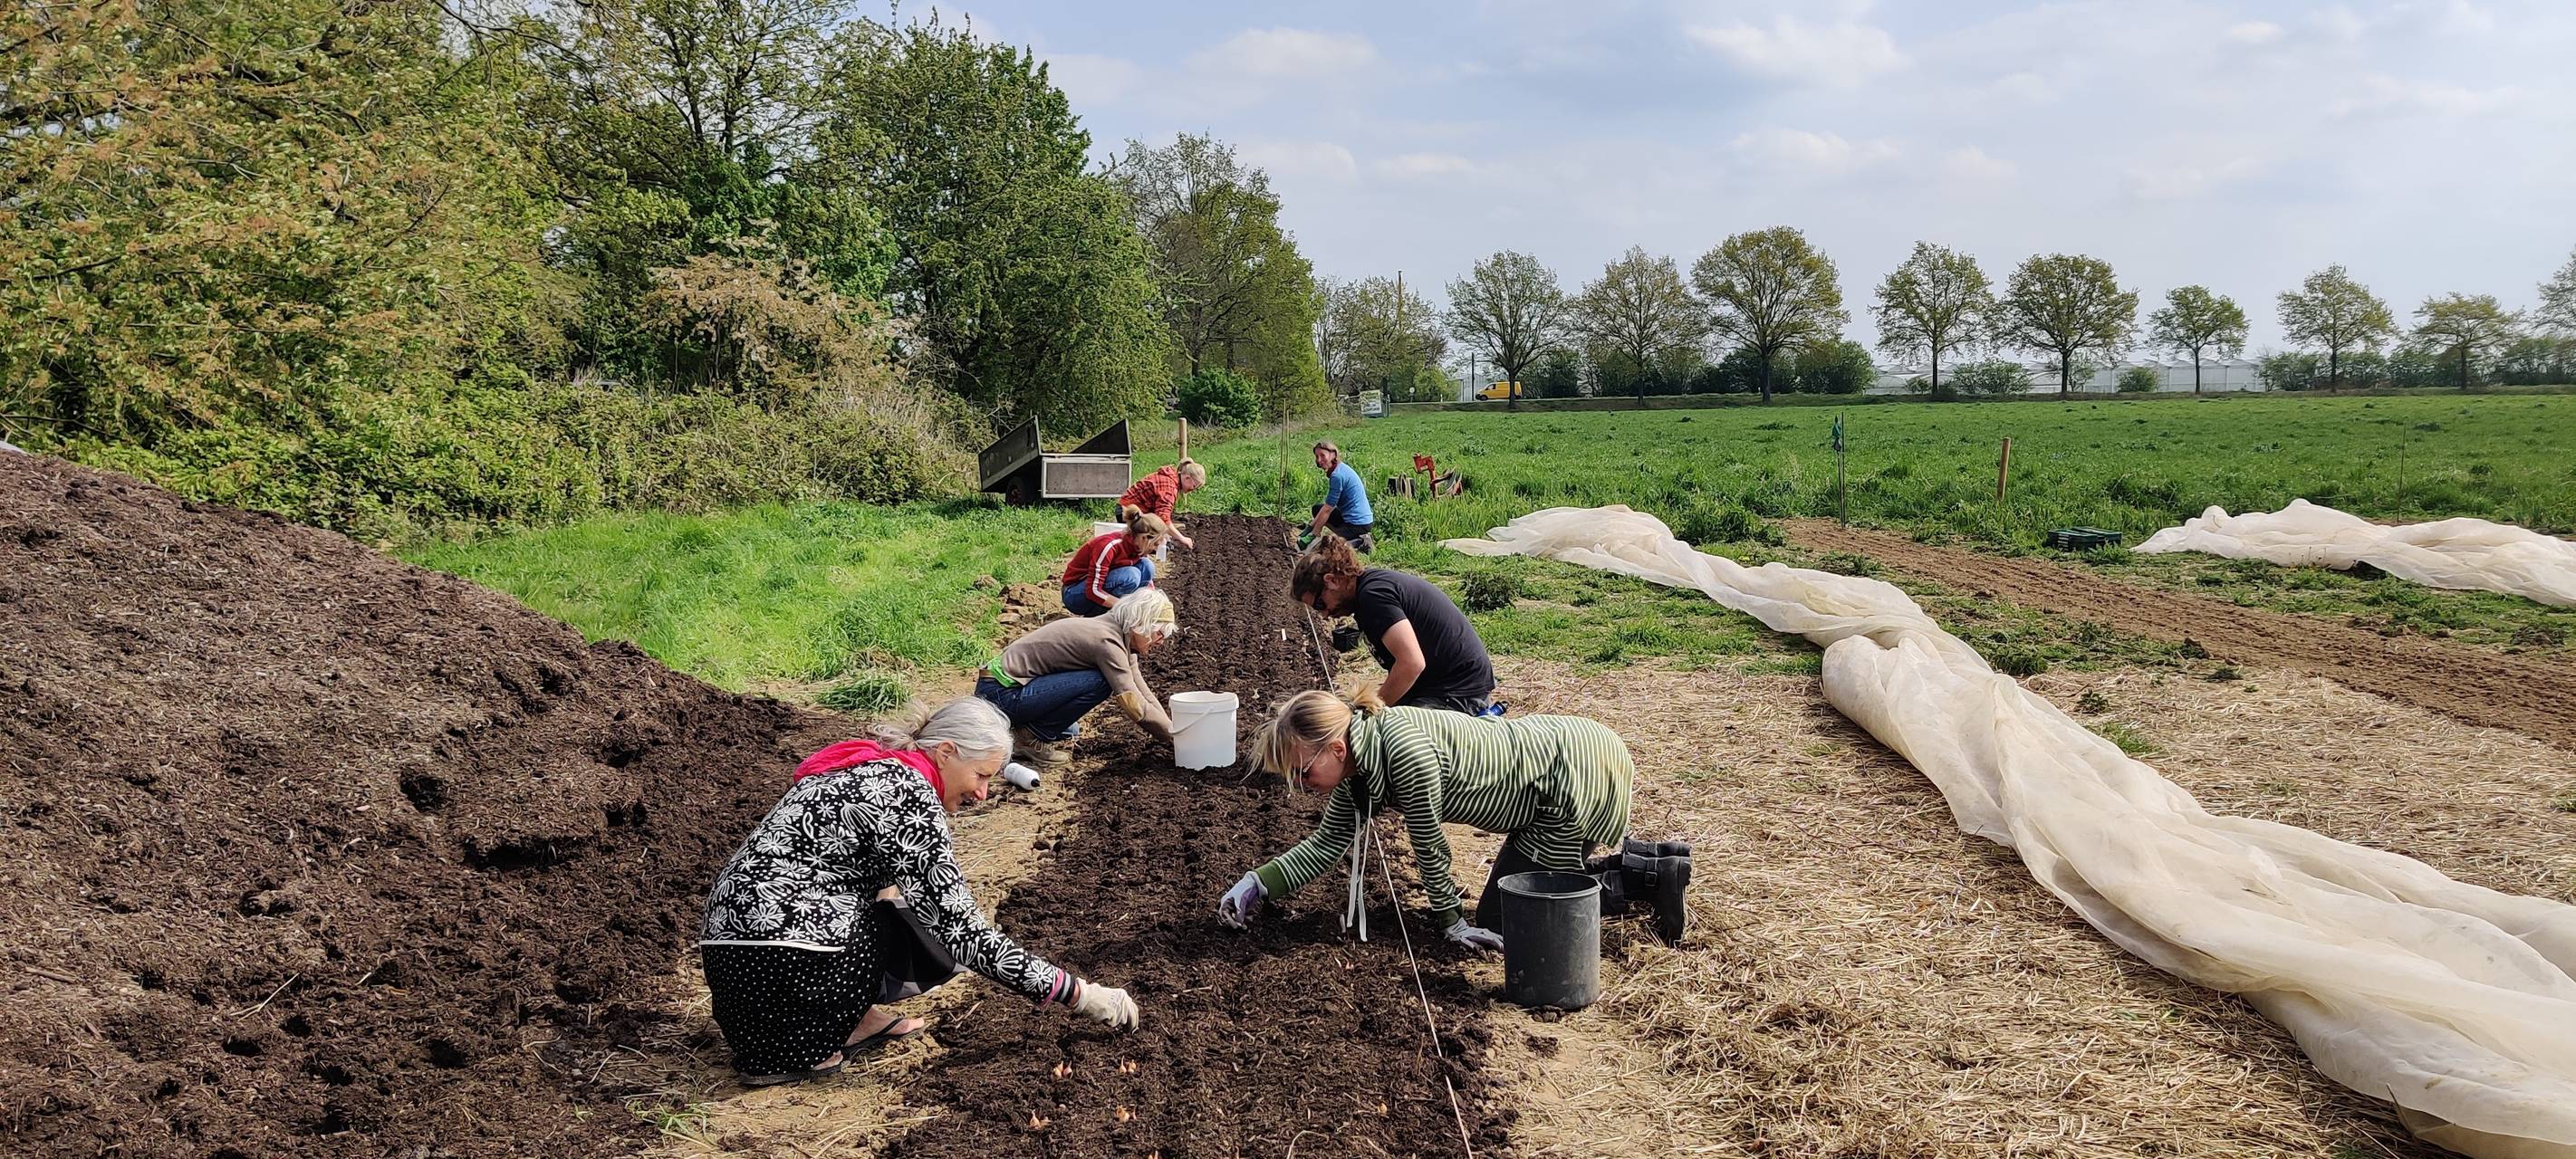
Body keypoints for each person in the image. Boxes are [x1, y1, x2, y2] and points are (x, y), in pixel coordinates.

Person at [699, 698, 1139, 1087]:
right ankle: (820, 1040)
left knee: (890, 901)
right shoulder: (909, 794)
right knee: (929, 925)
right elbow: (964, 933)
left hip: (732, 964)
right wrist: (1080, 994)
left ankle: (847, 1021)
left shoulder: (863, 767)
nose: (983, 794)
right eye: (981, 775)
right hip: (790, 961)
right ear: (946, 752)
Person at [1215, 689, 1694, 949]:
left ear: (1336, 748)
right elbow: (1324, 847)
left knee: (1509, 916)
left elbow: (1430, 847)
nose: (1301, 785)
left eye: (1302, 771)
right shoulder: (1359, 763)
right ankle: (1659, 859)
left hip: (1566, 774)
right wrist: (1254, 884)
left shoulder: (1403, 753)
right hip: (1542, 784)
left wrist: (1451, 924)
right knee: (1507, 905)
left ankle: (1646, 879)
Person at [1290, 535, 1495, 714]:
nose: (1325, 615)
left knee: (1390, 742)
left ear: (1331, 581)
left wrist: (1371, 709)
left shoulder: (1373, 597)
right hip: (1438, 686)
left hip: (1457, 690)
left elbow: (1411, 664)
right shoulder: (1368, 591)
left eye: (1320, 604)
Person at [976, 588, 1179, 767]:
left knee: (1070, 730)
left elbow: (1144, 692)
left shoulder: (1120, 637)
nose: (1160, 642)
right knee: (1101, 682)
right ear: (1141, 624)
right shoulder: (1107, 641)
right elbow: (1132, 702)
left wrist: (1173, 729)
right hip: (1000, 693)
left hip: (1005, 688)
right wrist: (1174, 738)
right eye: (1159, 634)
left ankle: (1021, 727)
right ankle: (1028, 740)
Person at [1062, 512, 1169, 617]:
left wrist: (1154, 602)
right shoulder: (1108, 546)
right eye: (1155, 544)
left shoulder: (1137, 546)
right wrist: (1126, 607)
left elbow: (1147, 582)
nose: (1155, 549)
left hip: (1095, 589)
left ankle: (1129, 612)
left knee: (1147, 565)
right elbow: (1093, 591)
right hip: (1074, 594)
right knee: (1131, 575)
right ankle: (1102, 616)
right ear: (1144, 538)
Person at [1116, 460, 1206, 550]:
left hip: (1128, 508)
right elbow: (1163, 518)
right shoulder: (1169, 488)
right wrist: (1182, 538)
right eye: (1194, 486)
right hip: (1128, 513)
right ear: (1187, 478)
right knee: (1155, 545)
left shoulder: (1171, 479)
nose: (1192, 490)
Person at [1302, 441, 1374, 552]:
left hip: (1358, 524)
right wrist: (1310, 527)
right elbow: (1325, 508)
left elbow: (1327, 509)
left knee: (1329, 546)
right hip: (1350, 518)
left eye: (1322, 456)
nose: (1319, 460)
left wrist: (1313, 534)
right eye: (1317, 456)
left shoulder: (1337, 476)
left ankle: (1360, 542)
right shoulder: (1340, 468)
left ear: (1333, 455)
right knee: (1317, 509)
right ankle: (1345, 537)